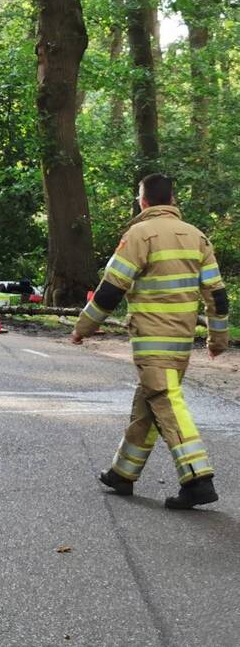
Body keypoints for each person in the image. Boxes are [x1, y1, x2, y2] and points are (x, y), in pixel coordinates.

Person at [72, 173, 228, 509]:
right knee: (150, 402)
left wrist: (83, 327)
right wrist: (218, 338)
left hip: (151, 342)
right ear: (172, 200)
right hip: (181, 343)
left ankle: (198, 477)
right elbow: (217, 294)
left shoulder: (140, 235)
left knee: (166, 403)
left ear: (142, 201)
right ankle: (122, 473)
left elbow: (111, 289)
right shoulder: (198, 237)